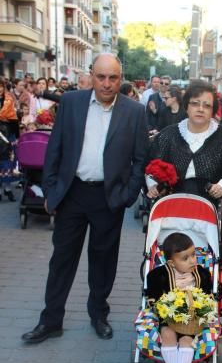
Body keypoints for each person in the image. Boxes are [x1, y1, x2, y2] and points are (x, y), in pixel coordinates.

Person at [22, 53, 148, 344]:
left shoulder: (134, 112)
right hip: (73, 195)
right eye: (101, 76)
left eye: (113, 78)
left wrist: (127, 196)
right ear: (92, 75)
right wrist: (52, 192)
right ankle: (51, 320)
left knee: (103, 261)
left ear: (120, 79)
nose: (106, 83)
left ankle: (98, 314)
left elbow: (141, 159)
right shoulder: (71, 103)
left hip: (109, 197)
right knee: (62, 260)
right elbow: (55, 148)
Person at [146, 80, 222, 316]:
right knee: (169, 255)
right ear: (186, 106)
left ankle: (203, 310)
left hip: (211, 206)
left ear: (213, 109)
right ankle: (165, 304)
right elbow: (152, 168)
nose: (200, 109)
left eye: (206, 105)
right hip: (172, 207)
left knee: (207, 259)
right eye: (195, 104)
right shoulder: (170, 135)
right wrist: (153, 185)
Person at [146, 232, 213, 363]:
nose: (192, 260)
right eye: (185, 258)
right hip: (169, 314)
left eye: (193, 255)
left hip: (192, 318)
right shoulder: (158, 275)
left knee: (186, 341)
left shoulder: (202, 275)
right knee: (167, 333)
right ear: (171, 262)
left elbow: (206, 299)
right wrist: (167, 308)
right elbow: (153, 299)